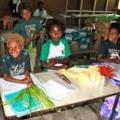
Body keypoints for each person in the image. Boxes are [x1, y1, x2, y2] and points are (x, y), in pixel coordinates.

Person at [13, 3, 43, 72]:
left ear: (31, 12)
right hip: (23, 49)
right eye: (23, 13)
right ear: (21, 15)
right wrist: (23, 39)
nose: (26, 15)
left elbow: (41, 30)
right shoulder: (19, 24)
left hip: (32, 47)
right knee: (24, 64)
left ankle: (31, 73)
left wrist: (37, 35)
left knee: (32, 63)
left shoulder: (35, 21)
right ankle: (24, 74)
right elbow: (14, 35)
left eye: (28, 12)